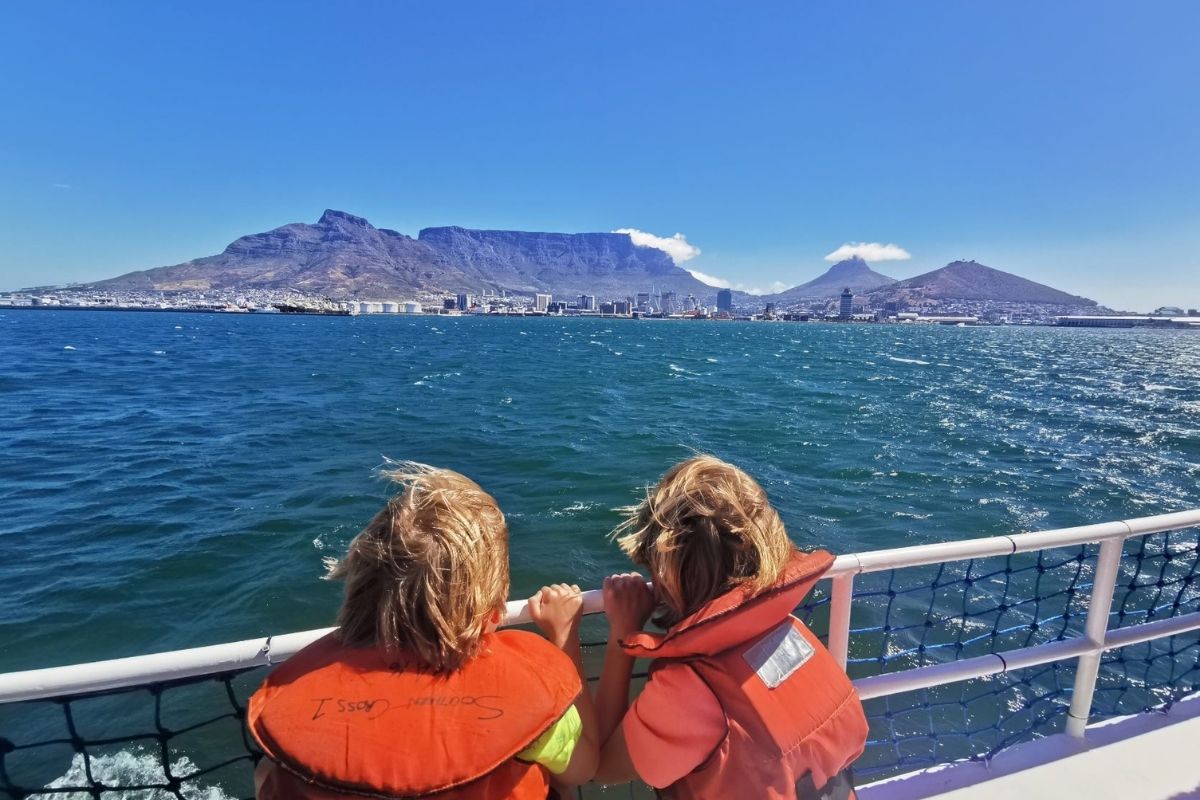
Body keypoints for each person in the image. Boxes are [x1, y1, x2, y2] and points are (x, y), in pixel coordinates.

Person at [247, 463, 598, 799]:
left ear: (357, 582)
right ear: (493, 610)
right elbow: (583, 770)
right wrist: (564, 639)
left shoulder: (294, 691)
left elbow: (267, 776)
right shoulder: (530, 691)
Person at [591, 455, 869, 799]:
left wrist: (623, 632)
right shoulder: (793, 633)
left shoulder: (688, 691)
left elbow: (601, 765)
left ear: (665, 571)